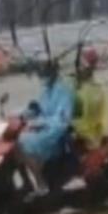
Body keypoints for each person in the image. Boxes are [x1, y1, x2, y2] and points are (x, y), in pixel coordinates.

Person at [18, 60, 74, 195]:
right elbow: (40, 109)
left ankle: (41, 183)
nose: (41, 76)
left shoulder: (63, 90)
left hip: (55, 133)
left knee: (22, 144)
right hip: (43, 129)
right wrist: (21, 114)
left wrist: (41, 124)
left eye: (43, 72)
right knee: (15, 145)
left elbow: (62, 119)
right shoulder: (46, 90)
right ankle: (28, 182)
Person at [71, 48, 108, 149]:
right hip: (94, 138)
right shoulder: (97, 90)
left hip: (82, 138)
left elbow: (73, 119)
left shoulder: (80, 92)